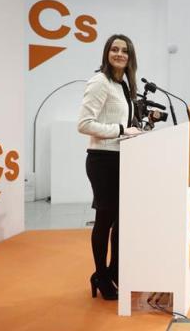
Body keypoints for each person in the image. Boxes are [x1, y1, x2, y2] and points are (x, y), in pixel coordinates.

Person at [78, 34, 142, 300]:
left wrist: (135, 130)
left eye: (124, 50)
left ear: (130, 57)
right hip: (102, 160)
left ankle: (115, 271)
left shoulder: (123, 86)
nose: (119, 54)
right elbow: (84, 123)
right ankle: (100, 276)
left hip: (121, 159)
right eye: (114, 49)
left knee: (120, 221)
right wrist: (120, 130)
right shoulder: (100, 82)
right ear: (106, 53)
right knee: (105, 220)